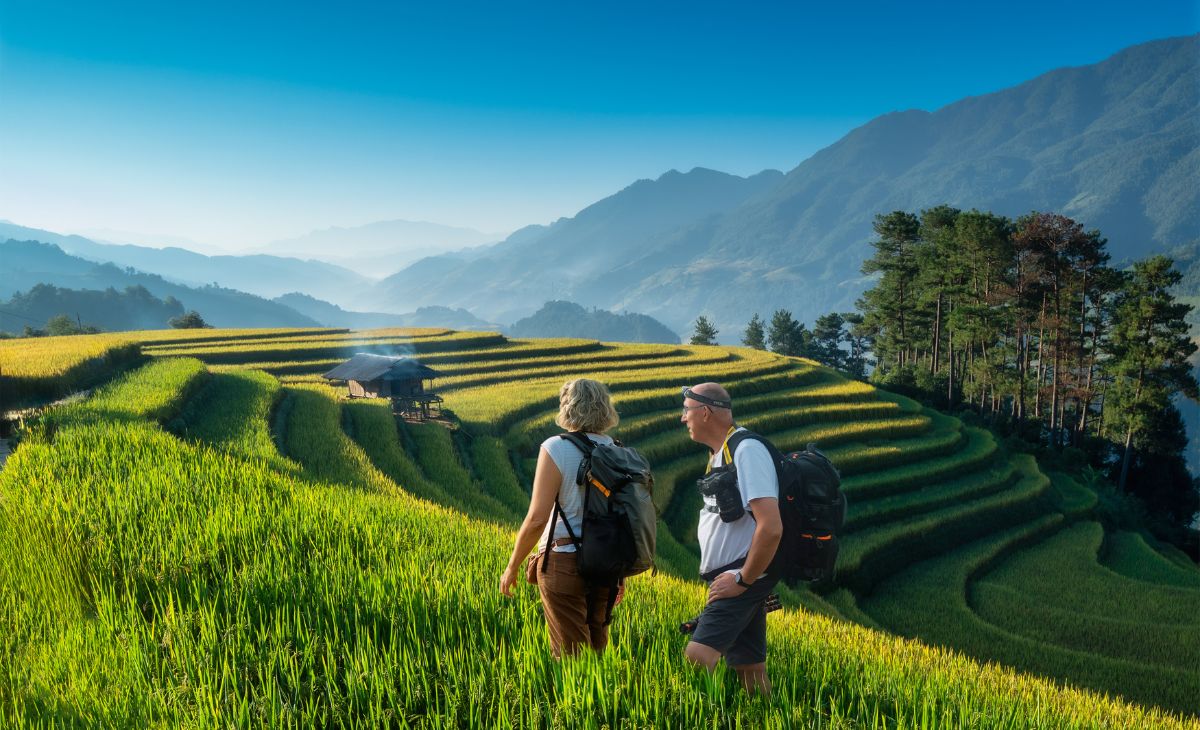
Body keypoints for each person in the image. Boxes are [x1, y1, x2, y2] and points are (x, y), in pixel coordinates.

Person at [499, 377, 624, 658]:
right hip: (606, 564)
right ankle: (598, 702)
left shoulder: (555, 447)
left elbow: (536, 519)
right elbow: (622, 517)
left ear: (568, 407)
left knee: (571, 659)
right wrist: (621, 575)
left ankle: (576, 703)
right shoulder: (617, 450)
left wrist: (512, 566)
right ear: (604, 408)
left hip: (563, 560)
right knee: (596, 651)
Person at [680, 382, 783, 694]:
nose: (683, 418)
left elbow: (771, 526)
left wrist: (742, 580)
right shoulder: (720, 453)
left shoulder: (746, 451)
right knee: (749, 669)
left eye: (687, 411)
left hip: (742, 574)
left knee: (697, 657)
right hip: (737, 574)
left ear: (706, 412)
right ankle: (766, 716)